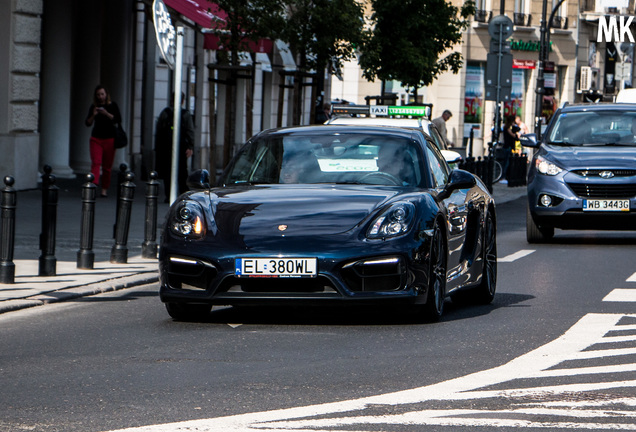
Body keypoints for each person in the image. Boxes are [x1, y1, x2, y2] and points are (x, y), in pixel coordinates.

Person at [155, 93, 195, 203]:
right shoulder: (185, 114)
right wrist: (190, 146)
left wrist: (158, 148)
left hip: (166, 147)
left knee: (168, 172)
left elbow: (158, 130)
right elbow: (190, 131)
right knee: (182, 172)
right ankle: (183, 194)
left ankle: (169, 195)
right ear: (183, 101)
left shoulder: (165, 113)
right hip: (181, 147)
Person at [85, 85, 122, 197]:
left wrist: (106, 113)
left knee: (107, 167)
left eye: (102, 94)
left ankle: (104, 189)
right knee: (96, 162)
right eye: (98, 95)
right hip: (96, 138)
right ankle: (94, 183)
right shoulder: (94, 107)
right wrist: (94, 114)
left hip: (109, 139)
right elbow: (87, 123)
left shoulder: (112, 106)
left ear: (106, 95)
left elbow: (118, 119)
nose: (100, 97)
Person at [500, 115, 518, 184]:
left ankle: (504, 176)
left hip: (507, 146)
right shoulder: (507, 128)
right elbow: (513, 135)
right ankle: (503, 177)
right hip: (508, 146)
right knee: (506, 162)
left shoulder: (506, 127)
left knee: (506, 162)